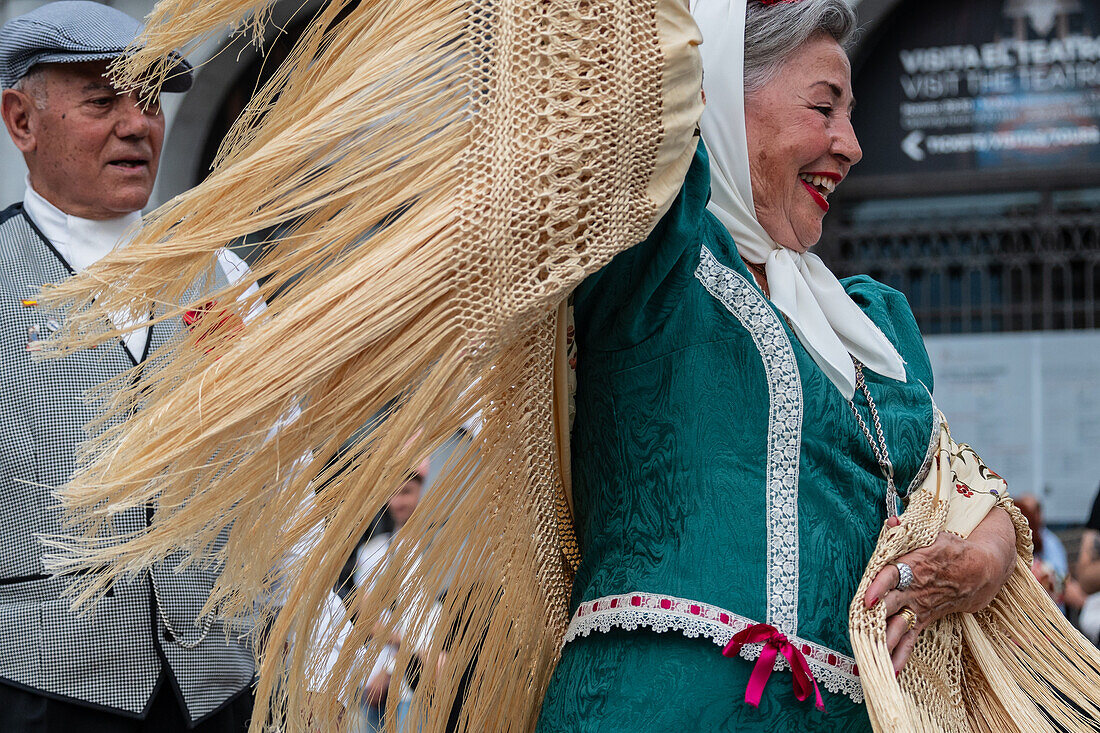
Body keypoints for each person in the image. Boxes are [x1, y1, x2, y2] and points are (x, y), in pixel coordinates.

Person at [534, 0, 1018, 729]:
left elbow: (969, 492)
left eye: (852, 115)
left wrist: (980, 564)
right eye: (825, 107)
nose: (851, 144)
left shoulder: (868, 326)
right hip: (647, 707)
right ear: (721, 94)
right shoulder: (654, 253)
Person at [0, 3, 255, 730]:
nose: (136, 124)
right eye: (103, 102)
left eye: (148, 101)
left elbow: (275, 465)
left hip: (216, 688)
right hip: (41, 692)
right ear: (22, 121)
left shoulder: (224, 276)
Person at [355, 461, 427, 733]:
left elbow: (433, 616)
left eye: (406, 492)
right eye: (393, 493)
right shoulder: (374, 551)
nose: (398, 501)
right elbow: (366, 618)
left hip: (420, 683)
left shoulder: (434, 549)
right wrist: (385, 669)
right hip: (379, 684)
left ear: (422, 490)